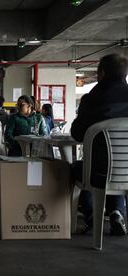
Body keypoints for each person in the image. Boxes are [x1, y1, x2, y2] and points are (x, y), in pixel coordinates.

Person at [71, 53, 128, 235]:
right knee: (118, 171)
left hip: (98, 173)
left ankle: (91, 213)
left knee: (75, 169)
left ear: (101, 73)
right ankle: (117, 212)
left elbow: (77, 134)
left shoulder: (92, 100)